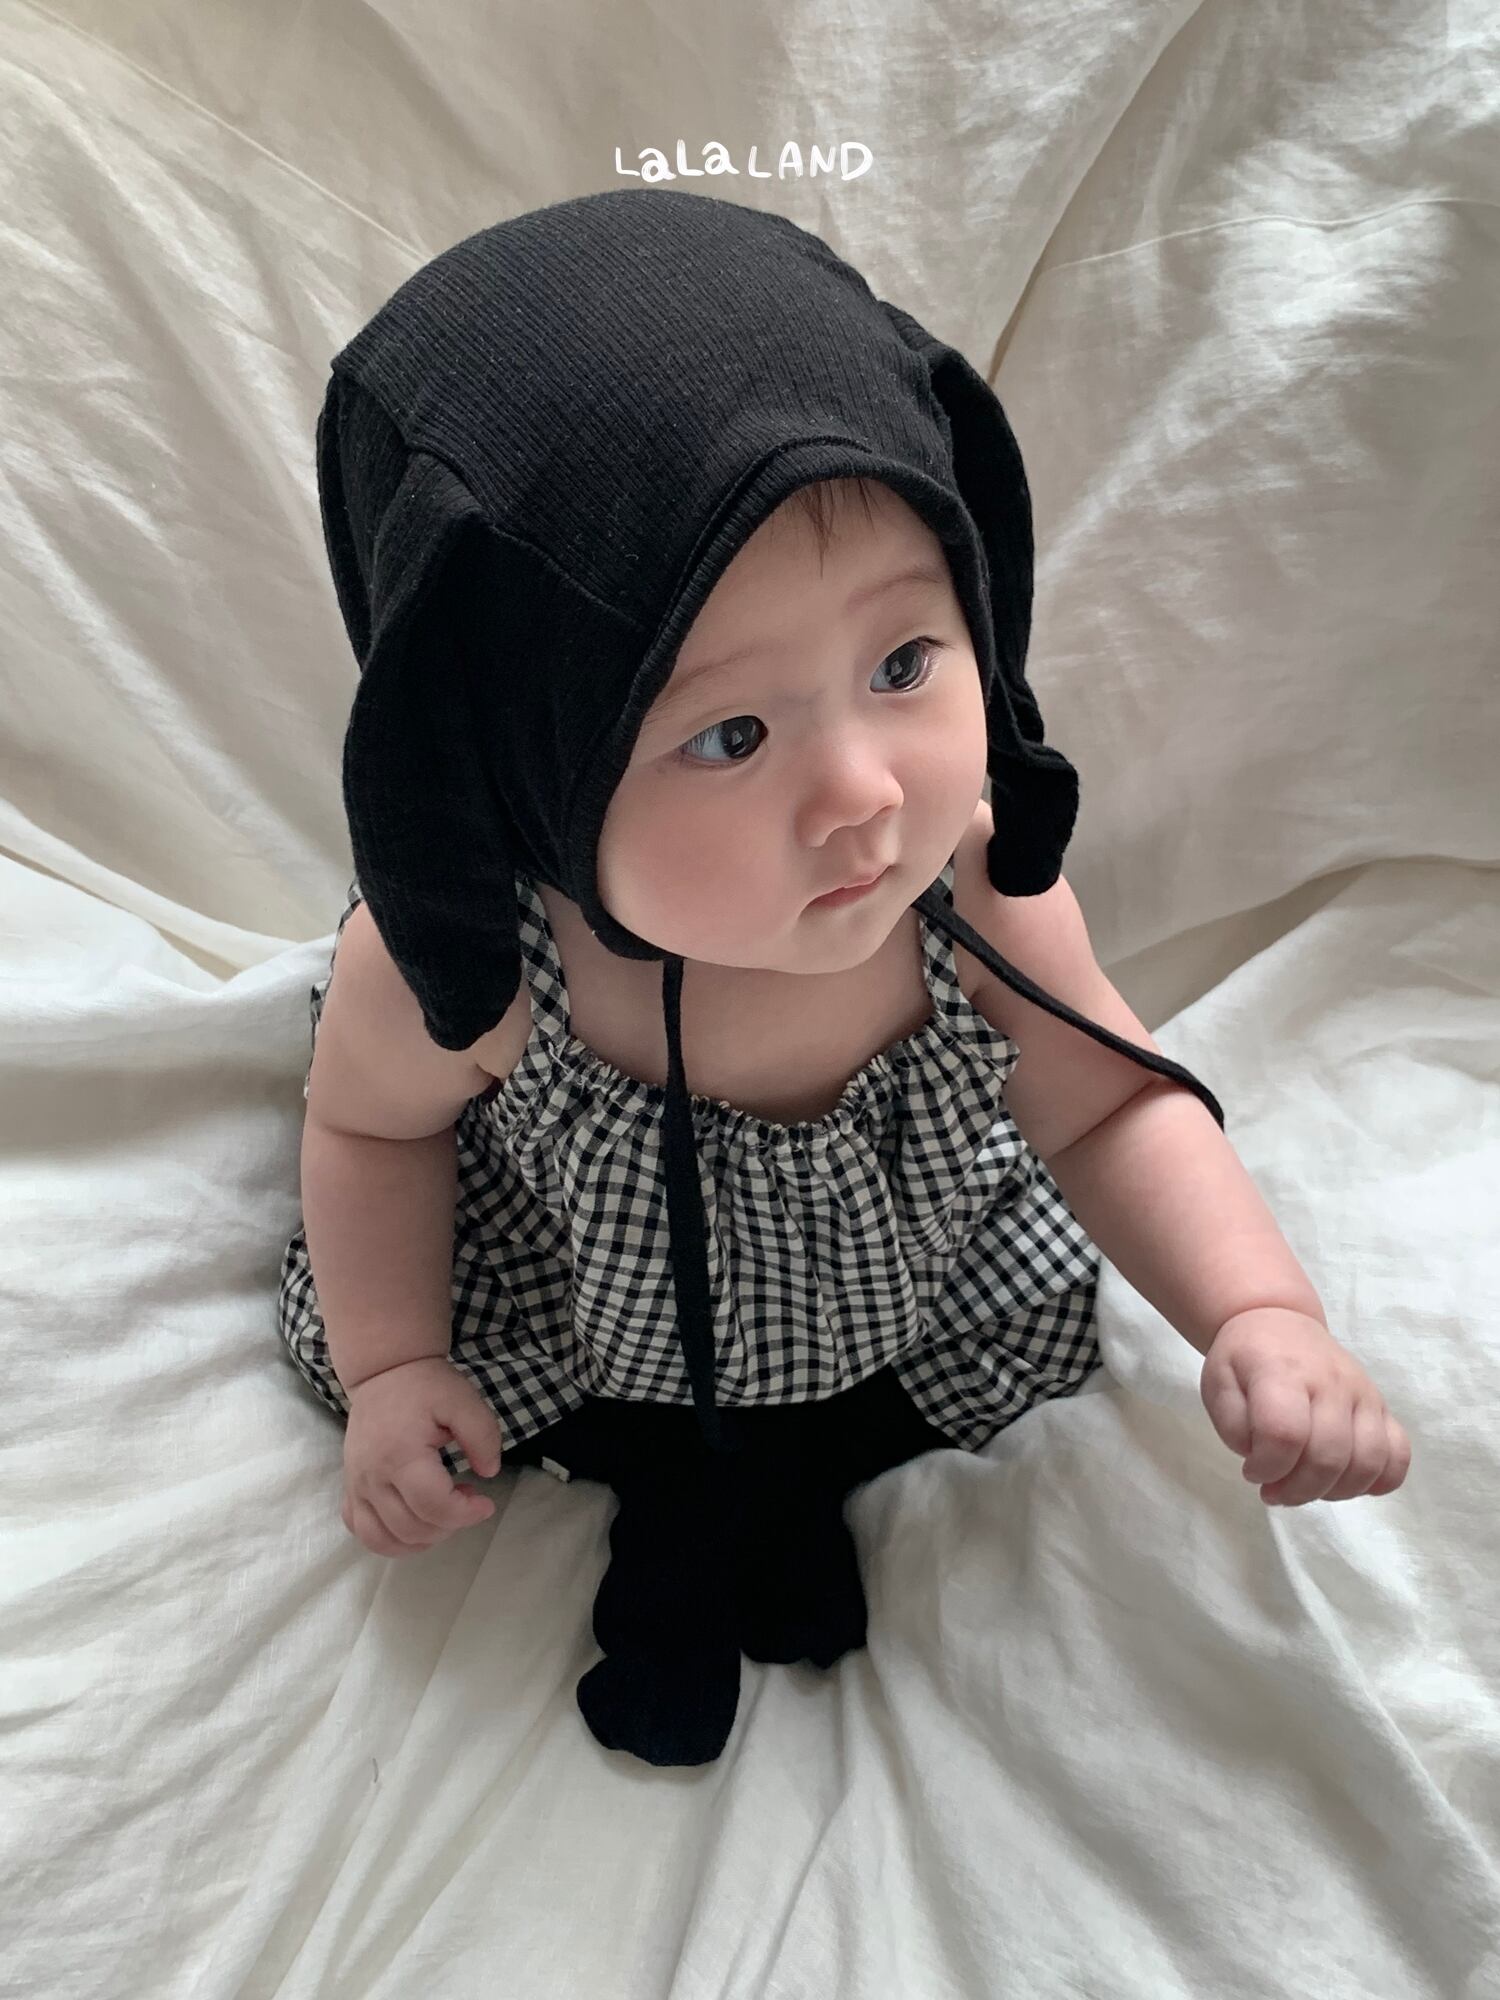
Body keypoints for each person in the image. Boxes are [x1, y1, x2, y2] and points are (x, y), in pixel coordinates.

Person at [277, 190, 1411, 1769]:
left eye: (903, 665)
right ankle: (676, 1510)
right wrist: (399, 1362)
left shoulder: (968, 889)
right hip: (591, 1309)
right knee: (622, 1442)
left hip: (894, 1282)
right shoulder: (475, 964)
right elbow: (369, 1132)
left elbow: (1107, 1106)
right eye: (731, 735)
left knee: (866, 1419)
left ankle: (802, 1476)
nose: (865, 795)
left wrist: (1260, 1310)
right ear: (509, 757)